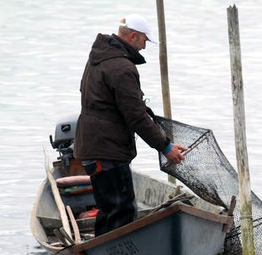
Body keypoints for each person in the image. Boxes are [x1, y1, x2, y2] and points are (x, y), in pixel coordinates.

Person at [74, 14, 186, 237]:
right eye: (145, 40)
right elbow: (135, 116)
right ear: (133, 36)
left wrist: (166, 141)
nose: (145, 47)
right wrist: (165, 147)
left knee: (111, 209)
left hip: (94, 145)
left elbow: (131, 109)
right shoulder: (122, 68)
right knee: (121, 211)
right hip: (107, 150)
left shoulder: (99, 57)